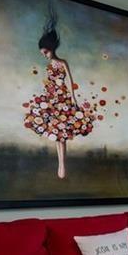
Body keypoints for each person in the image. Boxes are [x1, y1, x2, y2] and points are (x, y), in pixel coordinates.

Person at [23, 9, 98, 178]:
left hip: (63, 100)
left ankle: (62, 166)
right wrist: (46, 99)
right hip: (52, 100)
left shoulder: (62, 63)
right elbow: (49, 84)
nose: (45, 56)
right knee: (56, 134)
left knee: (62, 134)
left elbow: (70, 82)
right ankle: (60, 165)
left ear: (51, 49)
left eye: (46, 53)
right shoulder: (49, 66)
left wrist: (73, 100)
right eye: (43, 54)